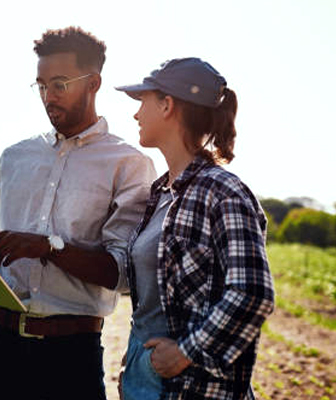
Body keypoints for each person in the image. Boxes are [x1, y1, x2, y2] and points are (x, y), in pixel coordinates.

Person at [0, 27, 156, 400]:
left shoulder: (128, 164)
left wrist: (48, 248)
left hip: (71, 354)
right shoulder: (14, 157)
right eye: (41, 85)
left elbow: (123, 273)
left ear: (93, 83)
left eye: (60, 84)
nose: (48, 97)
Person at [114, 58, 275, 399]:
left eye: (142, 101)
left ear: (167, 105)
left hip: (192, 386)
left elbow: (252, 292)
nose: (136, 114)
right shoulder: (159, 193)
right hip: (146, 375)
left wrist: (186, 351)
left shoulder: (223, 191)